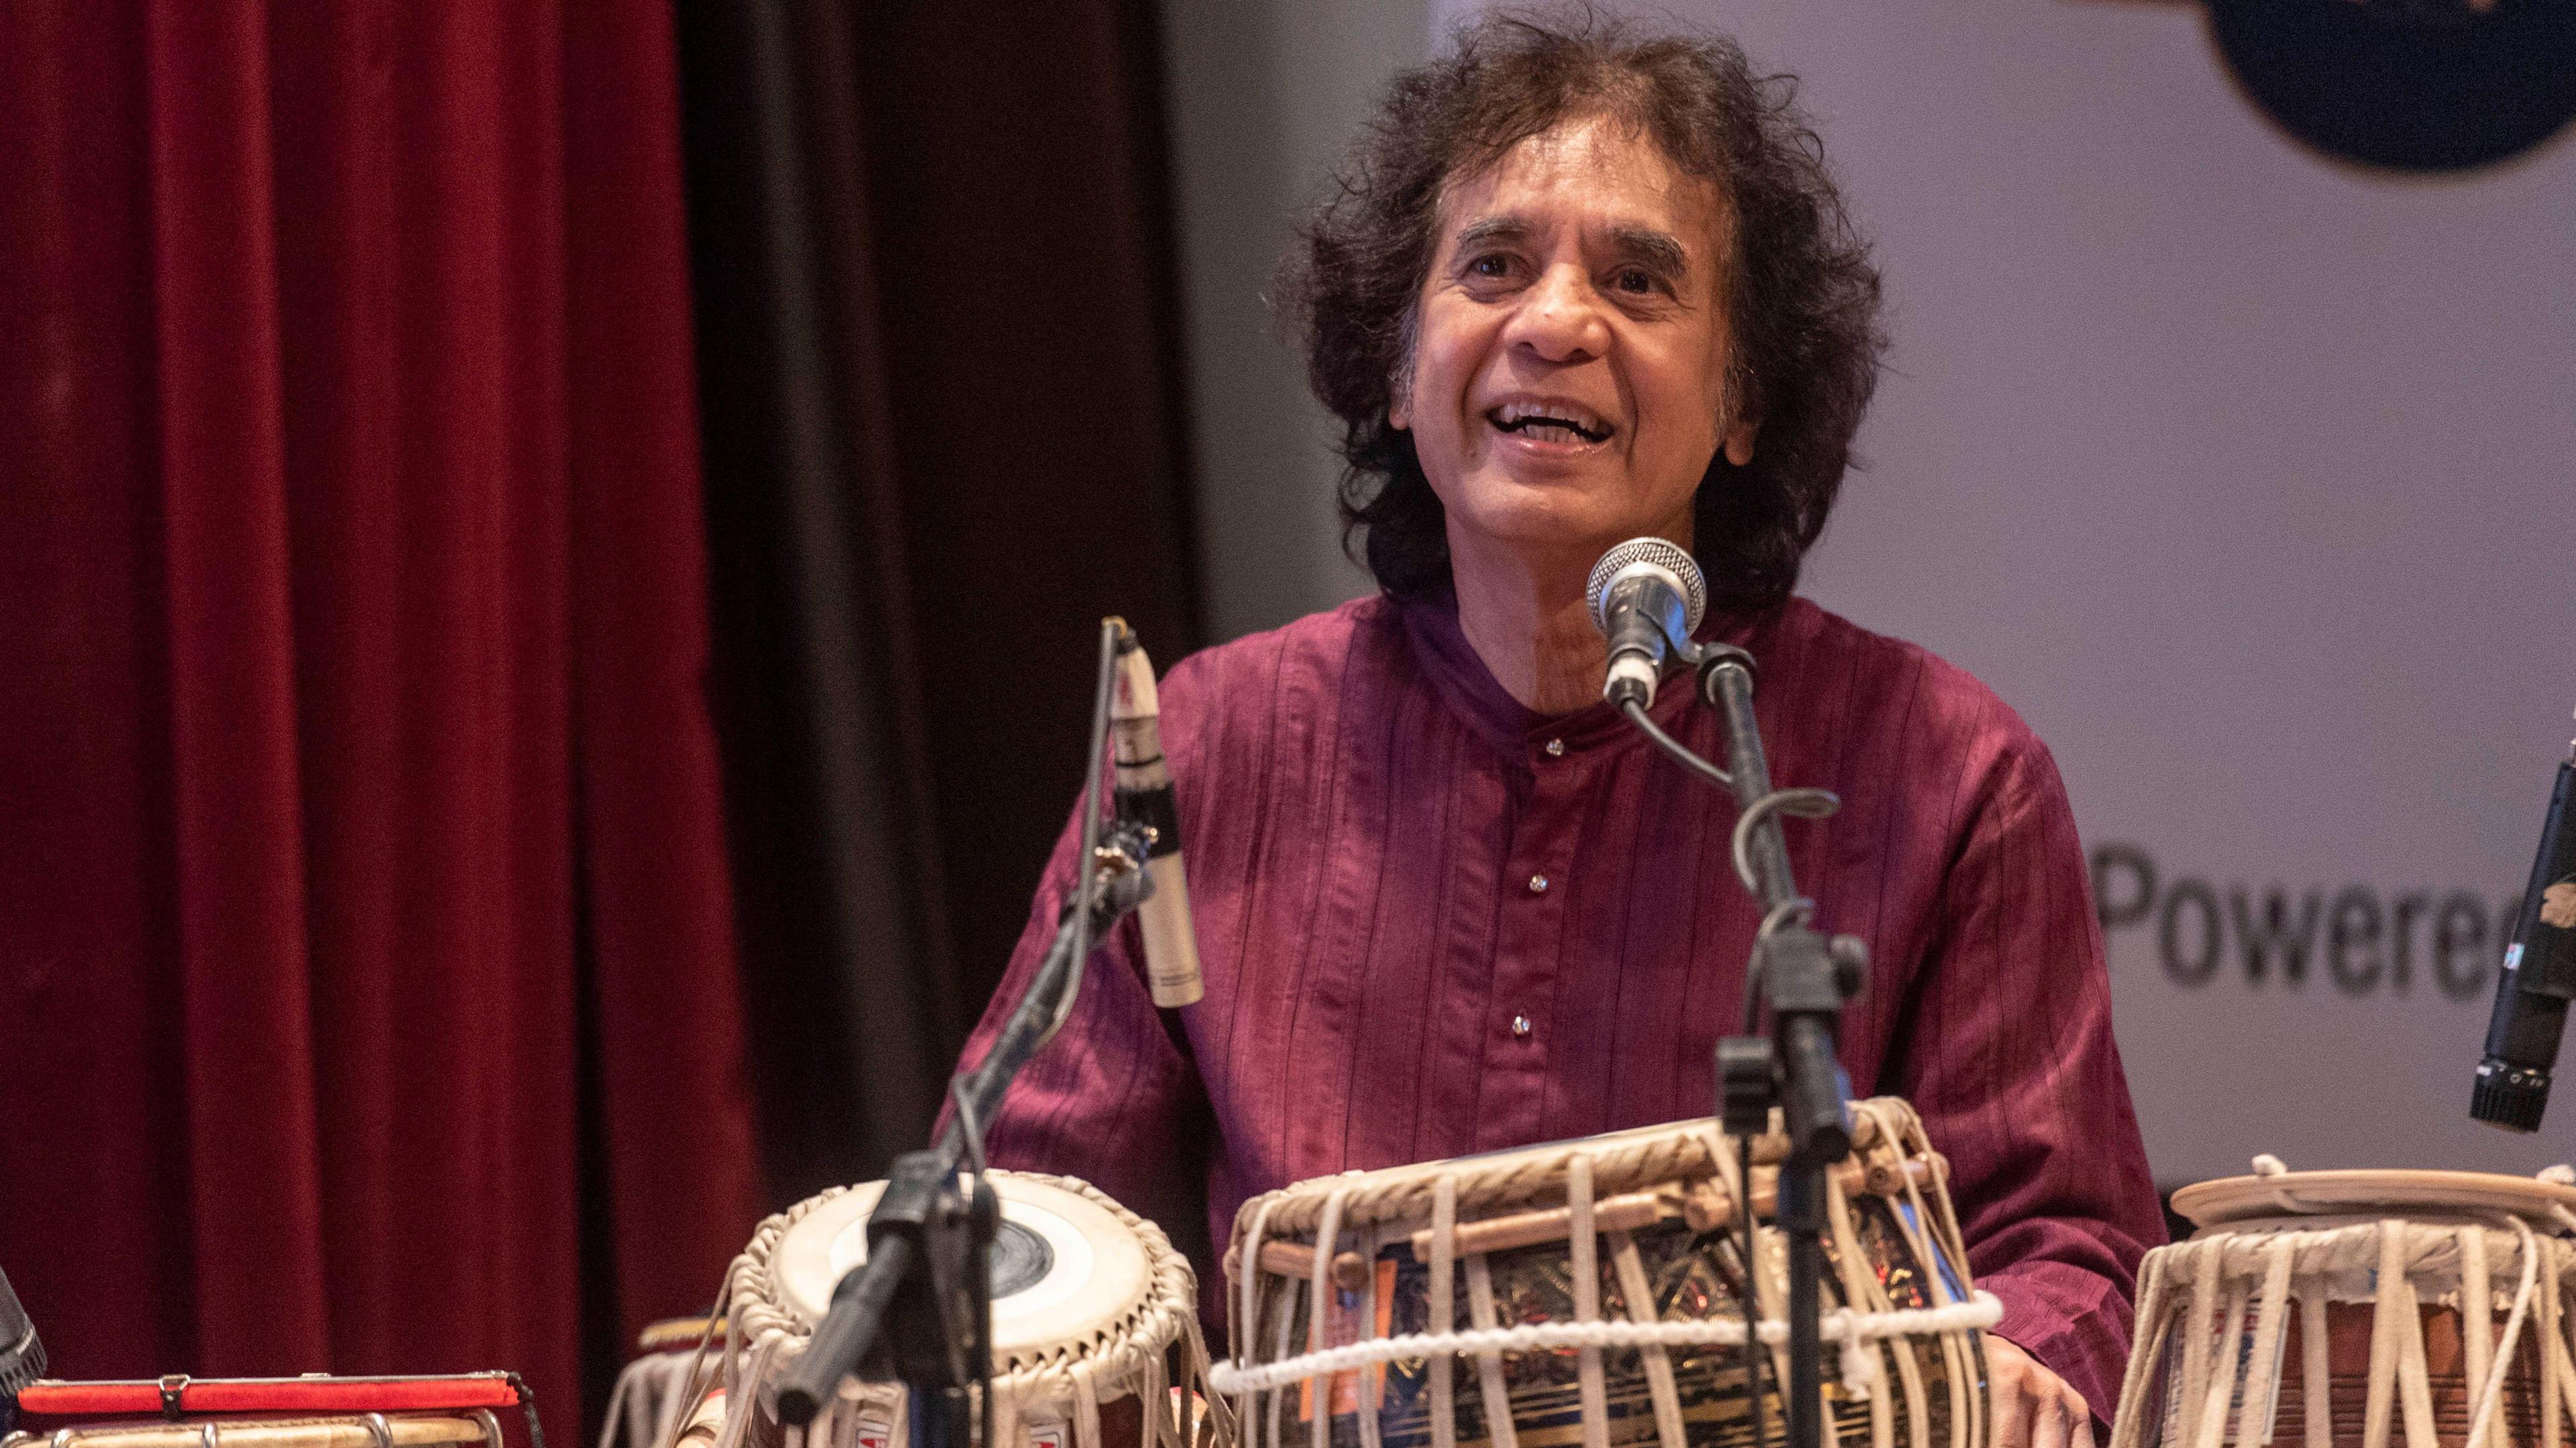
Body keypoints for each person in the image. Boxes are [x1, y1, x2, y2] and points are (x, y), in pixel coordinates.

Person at [953, 13, 2163, 1448]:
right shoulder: (1211, 748)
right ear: (1403, 373)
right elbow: (1028, 1221)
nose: (1555, 321)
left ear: (1741, 401)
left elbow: (2068, 1245)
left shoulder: (1947, 772)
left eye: (1640, 280)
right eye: (1493, 265)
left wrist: (2019, 1363)